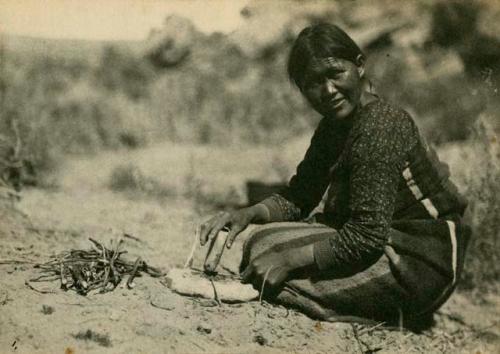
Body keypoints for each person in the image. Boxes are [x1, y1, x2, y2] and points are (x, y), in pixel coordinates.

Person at [198, 23, 470, 327]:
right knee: (260, 242)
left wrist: (290, 258)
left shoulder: (380, 124)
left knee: (270, 255)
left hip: (420, 263)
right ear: (302, 90)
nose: (328, 90)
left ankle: (393, 310)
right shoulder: (333, 126)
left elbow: (366, 236)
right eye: (314, 83)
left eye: (335, 73)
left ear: (360, 66)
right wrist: (248, 213)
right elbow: (301, 196)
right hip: (383, 241)